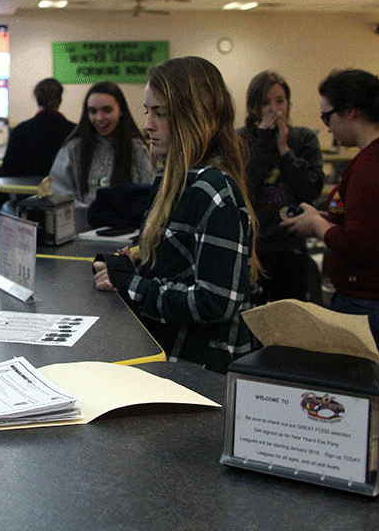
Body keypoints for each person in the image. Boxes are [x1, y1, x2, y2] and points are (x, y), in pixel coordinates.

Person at [93, 56, 260, 373]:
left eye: (160, 113)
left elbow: (216, 302)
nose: (147, 125)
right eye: (147, 112)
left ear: (193, 117)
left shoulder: (214, 192)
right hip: (165, 353)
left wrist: (134, 286)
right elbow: (174, 263)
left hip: (198, 369)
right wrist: (129, 265)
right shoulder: (174, 180)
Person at [281, 69, 379, 363]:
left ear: (350, 112)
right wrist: (324, 221)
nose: (326, 128)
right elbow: (374, 223)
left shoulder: (375, 165)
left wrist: (318, 224)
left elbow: (360, 245)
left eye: (327, 117)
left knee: (361, 402)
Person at [238, 71, 324, 303]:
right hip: (251, 245)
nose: (274, 109)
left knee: (287, 318)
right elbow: (242, 189)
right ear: (253, 107)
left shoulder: (303, 139)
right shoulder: (240, 140)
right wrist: (264, 145)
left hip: (289, 244)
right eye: (265, 103)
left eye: (280, 101)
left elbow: (310, 190)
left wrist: (284, 149)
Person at [48, 80, 153, 205]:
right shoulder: (73, 149)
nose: (99, 118)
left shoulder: (138, 151)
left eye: (107, 110)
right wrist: (91, 214)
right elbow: (58, 192)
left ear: (121, 110)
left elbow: (149, 196)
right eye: (93, 111)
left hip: (127, 224)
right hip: (81, 223)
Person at [0, 77, 75, 178]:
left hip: (26, 192)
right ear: (60, 99)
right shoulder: (74, 130)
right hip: (63, 193)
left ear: (37, 100)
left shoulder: (21, 130)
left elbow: (8, 170)